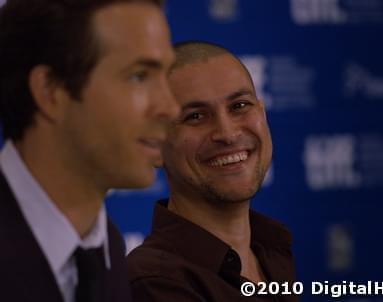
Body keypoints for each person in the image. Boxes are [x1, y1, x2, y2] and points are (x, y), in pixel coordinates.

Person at [0, 0, 178, 301]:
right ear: (50, 91)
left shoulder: (107, 249)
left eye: (166, 76)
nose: (171, 108)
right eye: (139, 76)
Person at [128, 41, 298, 301]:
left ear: (262, 114)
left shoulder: (271, 250)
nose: (227, 134)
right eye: (195, 116)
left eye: (239, 106)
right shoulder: (154, 283)